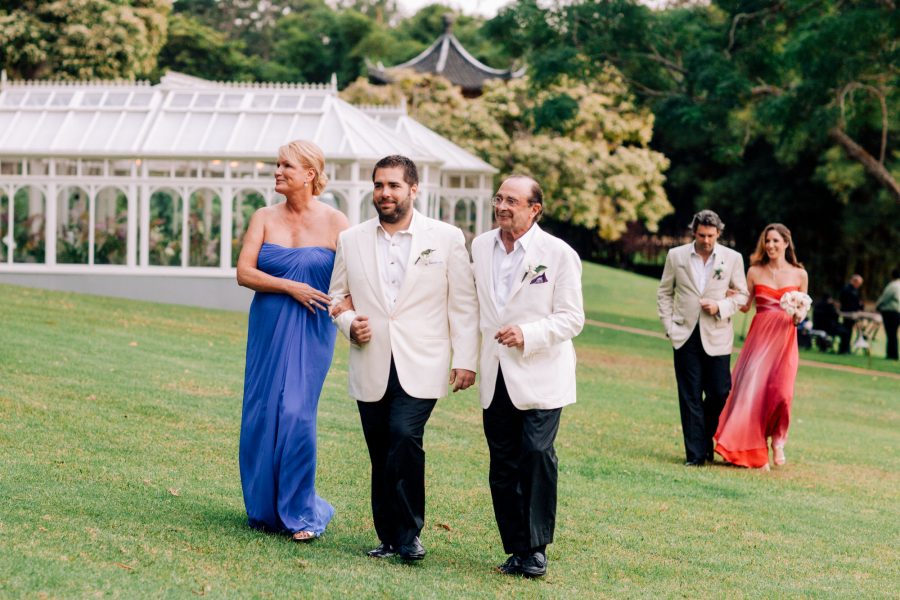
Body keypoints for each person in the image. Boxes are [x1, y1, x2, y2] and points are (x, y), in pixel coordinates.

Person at [328, 155, 479, 561]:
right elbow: (337, 297)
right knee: (380, 448)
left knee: (403, 435)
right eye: (379, 185)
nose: (385, 193)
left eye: (393, 185)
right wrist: (348, 323)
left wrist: (466, 359)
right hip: (370, 358)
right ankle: (388, 537)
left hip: (424, 360)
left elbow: (463, 304)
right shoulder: (351, 239)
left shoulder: (446, 238)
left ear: (413, 190)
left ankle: (409, 535)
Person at [471, 175, 584, 578]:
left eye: (512, 201)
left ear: (534, 209)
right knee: (502, 464)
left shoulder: (558, 253)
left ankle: (536, 549)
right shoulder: (480, 246)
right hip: (495, 372)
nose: (502, 206)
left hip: (541, 374)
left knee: (535, 455)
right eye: (499, 198)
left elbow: (573, 317)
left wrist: (528, 334)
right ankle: (516, 547)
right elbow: (478, 311)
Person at [236, 140, 349, 541]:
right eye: (277, 164)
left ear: (310, 174)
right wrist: (290, 286)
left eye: (287, 165)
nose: (278, 171)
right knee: (263, 413)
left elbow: (352, 281)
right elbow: (244, 273)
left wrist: (351, 316)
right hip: (268, 325)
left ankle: (301, 513)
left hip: (312, 328)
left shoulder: (337, 222)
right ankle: (264, 509)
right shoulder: (264, 217)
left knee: (298, 413)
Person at [657, 210, 749, 467]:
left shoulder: (732, 258)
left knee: (720, 392)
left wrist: (720, 306)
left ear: (718, 233)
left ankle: (704, 436)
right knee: (690, 396)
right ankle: (695, 455)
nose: (706, 240)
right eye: (701, 235)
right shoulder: (676, 256)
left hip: (717, 335)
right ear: (693, 232)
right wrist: (669, 326)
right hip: (684, 335)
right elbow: (665, 292)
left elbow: (742, 295)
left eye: (710, 235)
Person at [714, 223, 808, 470]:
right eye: (768, 241)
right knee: (752, 393)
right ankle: (752, 450)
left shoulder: (800, 275)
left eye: (776, 241)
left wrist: (798, 316)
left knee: (782, 394)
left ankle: (778, 439)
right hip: (760, 340)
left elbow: (802, 313)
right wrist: (725, 294)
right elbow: (746, 305)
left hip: (786, 341)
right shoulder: (755, 271)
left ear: (786, 243)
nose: (771, 245)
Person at [876, 269, 900, 360]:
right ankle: (893, 354)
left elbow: (884, 298)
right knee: (893, 333)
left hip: (891, 312)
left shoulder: (892, 286)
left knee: (891, 334)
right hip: (898, 312)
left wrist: (877, 306)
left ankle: (891, 354)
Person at [838, 274, 864, 354]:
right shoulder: (848, 289)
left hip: (851, 313)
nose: (859, 286)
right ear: (855, 281)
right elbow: (851, 302)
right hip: (848, 313)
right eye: (858, 284)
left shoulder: (852, 290)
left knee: (849, 331)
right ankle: (844, 349)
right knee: (847, 330)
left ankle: (846, 348)